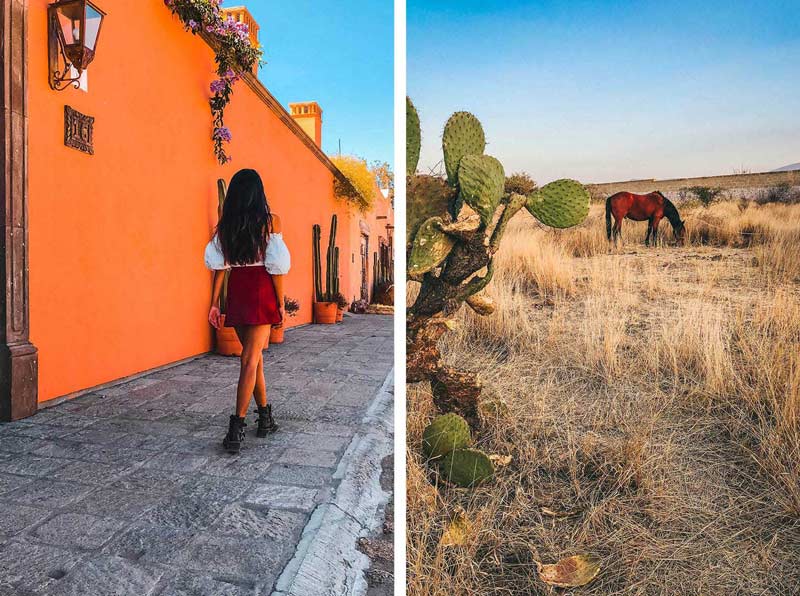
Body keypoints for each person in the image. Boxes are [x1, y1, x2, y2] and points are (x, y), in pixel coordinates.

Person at [204, 169, 290, 453]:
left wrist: (216, 302)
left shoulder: (226, 225)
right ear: (258, 193)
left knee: (253, 360)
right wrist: (280, 302)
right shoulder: (270, 222)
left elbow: (221, 267)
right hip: (261, 290)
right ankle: (236, 427)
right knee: (250, 360)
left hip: (238, 291)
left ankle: (265, 417)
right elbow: (276, 268)